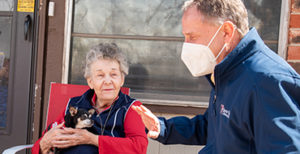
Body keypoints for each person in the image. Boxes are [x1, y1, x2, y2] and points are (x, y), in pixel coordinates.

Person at [132, 0, 300, 153]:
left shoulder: (267, 80)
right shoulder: (228, 70)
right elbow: (216, 126)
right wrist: (163, 127)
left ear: (226, 32)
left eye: (193, 36)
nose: (186, 46)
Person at [32, 43, 148, 154]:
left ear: (122, 79)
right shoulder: (75, 104)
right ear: (90, 82)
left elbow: (139, 148)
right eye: (100, 75)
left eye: (113, 74)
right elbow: (42, 143)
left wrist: (93, 139)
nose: (108, 81)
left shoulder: (131, 108)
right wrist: (45, 143)